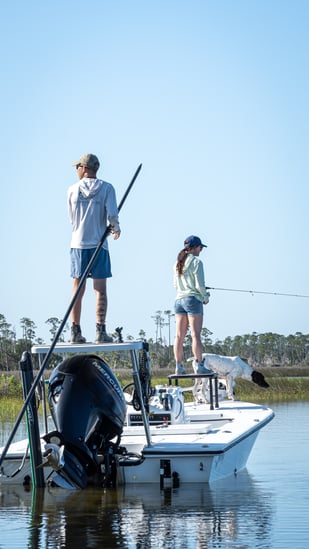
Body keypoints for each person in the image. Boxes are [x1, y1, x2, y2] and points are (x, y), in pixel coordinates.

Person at [68, 153, 120, 344]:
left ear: (84, 168)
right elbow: (112, 215)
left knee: (77, 289)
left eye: (77, 167)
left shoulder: (72, 190)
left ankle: (75, 331)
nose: (76, 171)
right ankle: (100, 330)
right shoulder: (107, 188)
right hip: (99, 244)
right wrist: (116, 228)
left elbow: (72, 219)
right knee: (100, 290)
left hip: (78, 243)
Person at [173, 235, 213, 375]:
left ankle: (179, 366)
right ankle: (199, 365)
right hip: (192, 300)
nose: (201, 250)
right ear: (196, 247)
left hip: (178, 301)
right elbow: (199, 285)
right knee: (195, 335)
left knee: (179, 336)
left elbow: (175, 285)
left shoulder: (177, 262)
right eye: (200, 247)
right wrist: (205, 297)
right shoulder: (197, 262)